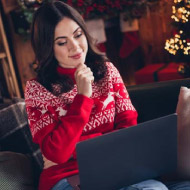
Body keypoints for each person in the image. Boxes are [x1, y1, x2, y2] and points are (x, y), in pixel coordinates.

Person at [24, 1, 186, 190]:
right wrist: (83, 98)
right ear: (47, 48)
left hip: (120, 167)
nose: (75, 47)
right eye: (62, 42)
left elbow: (129, 131)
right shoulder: (36, 89)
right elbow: (57, 154)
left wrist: (78, 148)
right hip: (67, 178)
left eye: (78, 35)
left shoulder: (107, 71)